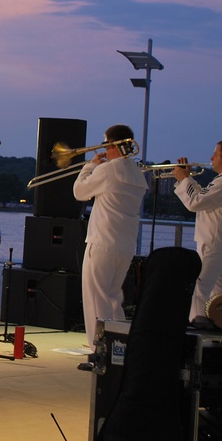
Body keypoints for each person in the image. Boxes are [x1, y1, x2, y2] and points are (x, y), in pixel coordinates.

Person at [73, 124, 148, 339]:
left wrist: (89, 167)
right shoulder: (137, 173)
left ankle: (99, 349)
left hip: (102, 241)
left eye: (105, 144)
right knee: (113, 298)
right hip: (125, 245)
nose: (103, 149)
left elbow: (79, 191)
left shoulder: (107, 169)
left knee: (95, 300)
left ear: (114, 144)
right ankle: (118, 345)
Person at [172, 140, 222, 320]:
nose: (211, 158)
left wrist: (184, 179)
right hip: (221, 243)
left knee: (200, 288)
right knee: (219, 293)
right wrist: (187, 178)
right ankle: (219, 326)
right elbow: (204, 198)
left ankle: (197, 326)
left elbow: (195, 202)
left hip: (214, 244)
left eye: (215, 154)